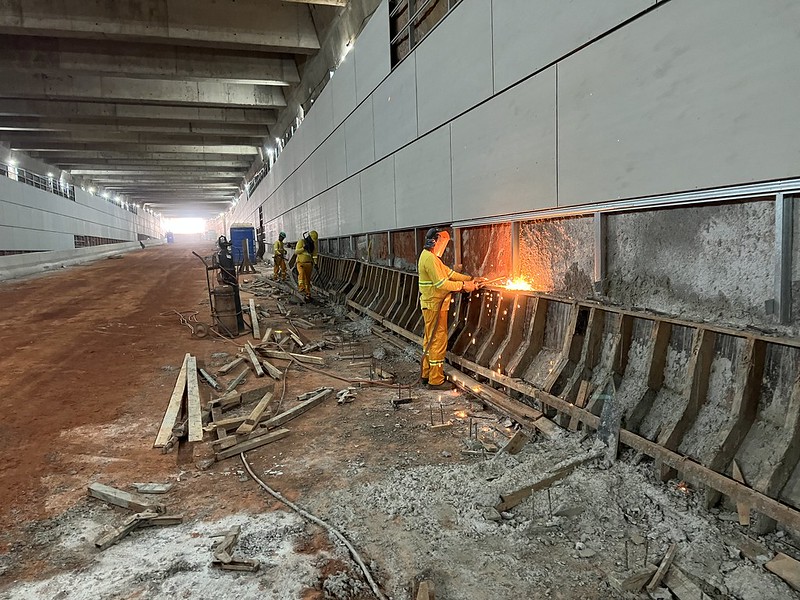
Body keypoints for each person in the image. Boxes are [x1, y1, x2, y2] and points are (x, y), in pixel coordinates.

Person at [417, 228, 483, 390]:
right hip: (434, 306)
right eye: (441, 242)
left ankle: (427, 374)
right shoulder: (430, 259)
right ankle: (436, 380)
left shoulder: (430, 258)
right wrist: (464, 286)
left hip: (432, 304)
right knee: (438, 341)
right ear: (435, 241)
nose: (443, 246)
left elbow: (450, 273)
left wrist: (471, 279)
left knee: (430, 341)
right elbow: (442, 284)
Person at [295, 230, 319, 300]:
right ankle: (301, 288)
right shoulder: (301, 242)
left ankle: (308, 293)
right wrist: (304, 248)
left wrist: (316, 264)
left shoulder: (313, 245)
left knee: (307, 280)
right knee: (301, 274)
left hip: (309, 264)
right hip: (300, 262)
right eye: (312, 240)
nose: (312, 241)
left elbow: (314, 255)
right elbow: (296, 252)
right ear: (309, 237)